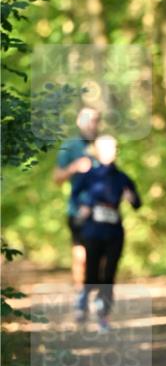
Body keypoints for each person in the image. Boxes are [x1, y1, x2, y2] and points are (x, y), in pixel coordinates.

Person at [71, 134, 141, 331]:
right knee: (92, 274)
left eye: (114, 148)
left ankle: (103, 315)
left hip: (114, 233)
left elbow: (137, 204)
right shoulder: (89, 175)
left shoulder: (121, 177)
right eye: (108, 147)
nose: (112, 151)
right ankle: (83, 301)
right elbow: (74, 195)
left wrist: (131, 197)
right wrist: (84, 205)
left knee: (109, 275)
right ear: (98, 151)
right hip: (93, 231)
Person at [53, 107, 100, 288]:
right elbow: (57, 178)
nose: (93, 124)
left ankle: (99, 296)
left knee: (102, 255)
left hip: (103, 209)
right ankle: (82, 295)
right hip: (78, 209)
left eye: (96, 120)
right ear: (79, 122)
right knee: (81, 256)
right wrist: (74, 167)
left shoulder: (103, 143)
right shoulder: (70, 145)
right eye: (89, 120)